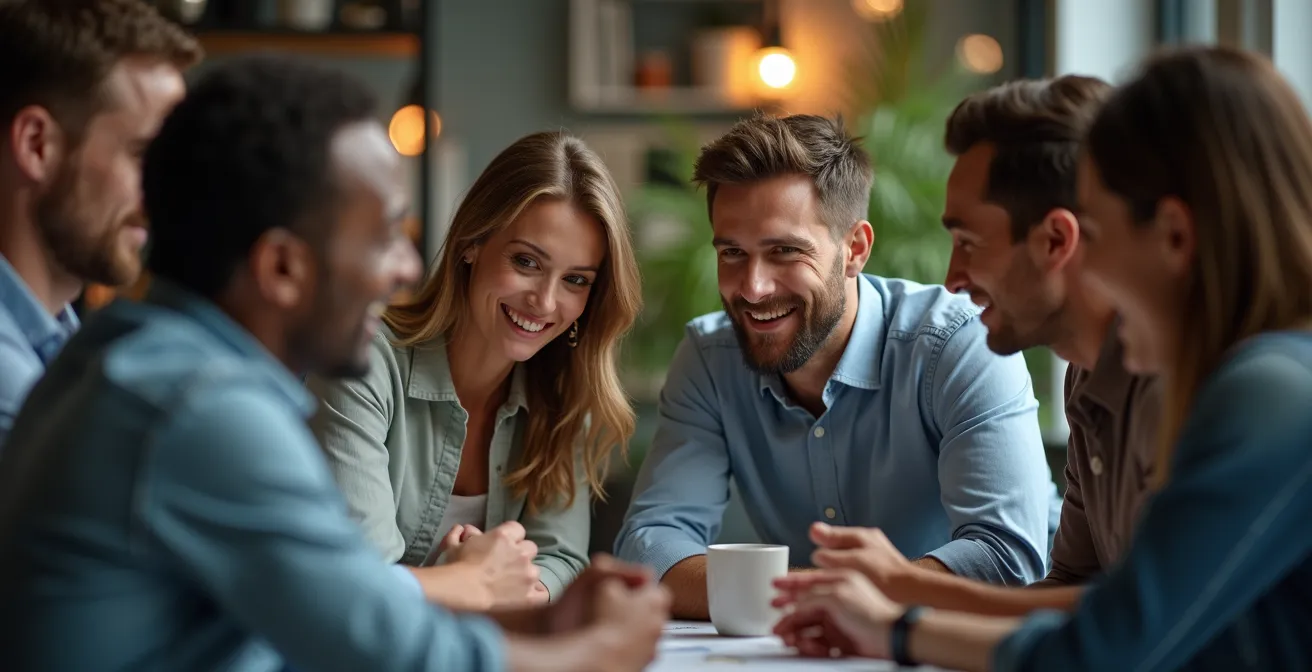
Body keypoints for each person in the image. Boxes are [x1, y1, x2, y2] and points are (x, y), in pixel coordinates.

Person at [0, 54, 669, 672]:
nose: (406, 267)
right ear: (282, 266)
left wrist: (544, 618)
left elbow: (331, 625)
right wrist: (599, 651)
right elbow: (379, 642)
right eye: (382, 237)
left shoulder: (125, 354)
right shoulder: (202, 408)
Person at [773, 45, 1312, 671]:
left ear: (1174, 236)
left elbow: (1103, 646)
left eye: (1097, 233)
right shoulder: (1241, 379)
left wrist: (898, 627)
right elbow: (1101, 607)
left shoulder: (1271, 391)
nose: (1087, 268)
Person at [614, 112, 1062, 620]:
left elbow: (1006, 558)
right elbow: (651, 548)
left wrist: (813, 596)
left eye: (785, 251)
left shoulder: (958, 344)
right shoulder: (710, 358)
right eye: (732, 252)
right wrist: (818, 597)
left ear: (855, 249)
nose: (753, 287)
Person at [800, 75, 1164, 617]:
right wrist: (893, 613)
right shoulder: (1086, 373)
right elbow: (1070, 591)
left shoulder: (1183, 384)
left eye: (968, 242)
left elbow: (1147, 615)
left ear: (1056, 241)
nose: (952, 277)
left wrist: (902, 605)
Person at [307, 130, 642, 610]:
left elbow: (561, 558)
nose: (545, 302)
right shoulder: (359, 363)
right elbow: (360, 580)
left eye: (575, 279)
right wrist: (467, 580)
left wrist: (505, 588)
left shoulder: (566, 395)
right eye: (526, 262)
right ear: (472, 243)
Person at [0, 0, 199, 447]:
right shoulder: (14, 399)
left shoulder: (58, 350)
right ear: (36, 145)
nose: (164, 192)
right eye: (143, 155)